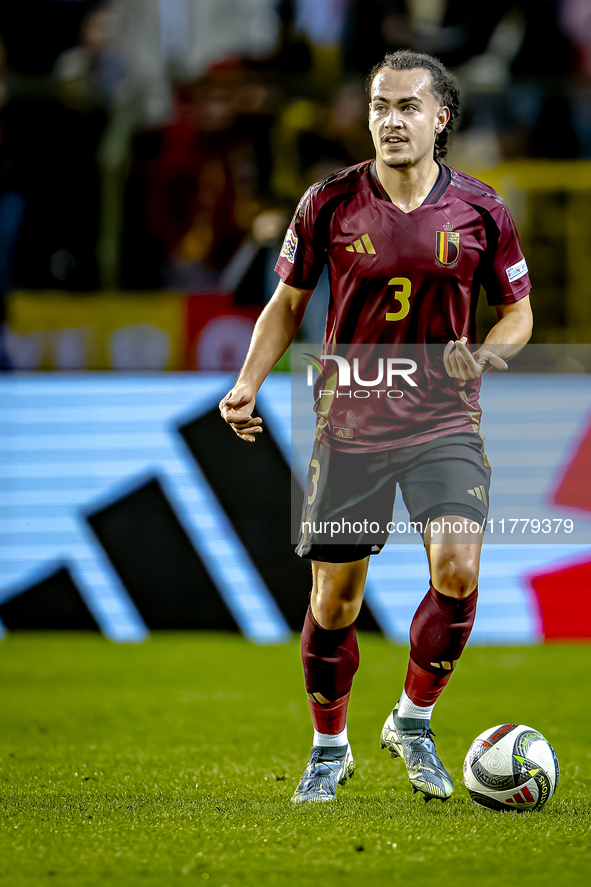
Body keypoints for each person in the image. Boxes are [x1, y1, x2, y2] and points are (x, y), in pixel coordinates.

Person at [219, 49, 533, 804]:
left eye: (406, 107)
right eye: (378, 106)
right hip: (350, 425)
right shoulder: (327, 202)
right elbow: (287, 304)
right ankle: (329, 747)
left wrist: (487, 353)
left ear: (439, 118)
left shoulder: (482, 210)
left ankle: (412, 720)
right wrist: (246, 382)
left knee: (457, 573)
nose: (390, 120)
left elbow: (517, 312)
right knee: (335, 604)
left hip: (442, 421)